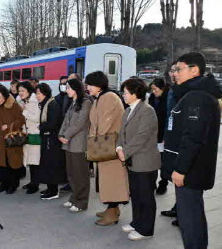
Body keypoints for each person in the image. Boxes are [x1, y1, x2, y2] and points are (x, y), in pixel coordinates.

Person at [162, 52, 222, 249]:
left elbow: (193, 137)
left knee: (190, 218)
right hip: (191, 168)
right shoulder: (191, 94)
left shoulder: (197, 97)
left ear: (194, 69)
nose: (174, 74)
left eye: (178, 69)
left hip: (190, 171)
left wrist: (180, 169)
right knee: (190, 215)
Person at [116, 78, 160, 241]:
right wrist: (119, 147)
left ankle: (146, 229)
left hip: (145, 161)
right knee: (135, 193)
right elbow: (122, 133)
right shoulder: (128, 110)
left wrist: (124, 151)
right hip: (131, 159)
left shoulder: (147, 111)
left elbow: (142, 136)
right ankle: (137, 222)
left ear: (136, 93)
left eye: (126, 93)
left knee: (145, 195)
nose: (123, 95)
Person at [85, 71, 129, 226]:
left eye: (90, 84)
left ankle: (112, 212)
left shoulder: (108, 98)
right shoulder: (100, 97)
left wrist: (94, 141)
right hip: (104, 146)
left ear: (99, 85)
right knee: (106, 179)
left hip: (109, 146)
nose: (87, 87)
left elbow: (104, 125)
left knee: (112, 180)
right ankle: (112, 209)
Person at [59, 79, 92, 212]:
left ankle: (81, 202)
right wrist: (60, 135)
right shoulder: (73, 102)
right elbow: (66, 121)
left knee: (81, 174)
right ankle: (74, 197)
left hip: (79, 143)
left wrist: (66, 136)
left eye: (68, 88)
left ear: (76, 88)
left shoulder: (86, 102)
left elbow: (80, 123)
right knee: (71, 172)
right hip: (69, 143)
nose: (66, 90)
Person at [36, 83, 66, 200]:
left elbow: (53, 123)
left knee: (51, 165)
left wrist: (41, 126)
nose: (37, 96)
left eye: (39, 93)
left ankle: (53, 191)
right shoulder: (46, 103)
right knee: (47, 164)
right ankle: (50, 188)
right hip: (47, 138)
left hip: (51, 140)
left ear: (45, 93)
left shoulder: (52, 104)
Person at [0, 85, 25, 194]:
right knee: (3, 163)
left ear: (5, 97)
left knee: (13, 163)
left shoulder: (14, 106)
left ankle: (13, 184)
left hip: (12, 138)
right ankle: (4, 183)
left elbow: (21, 119)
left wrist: (9, 125)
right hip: (1, 139)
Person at [160, 62, 180, 226]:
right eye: (172, 71)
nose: (173, 74)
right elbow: (170, 116)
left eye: (176, 70)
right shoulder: (174, 90)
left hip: (182, 139)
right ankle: (178, 207)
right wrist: (167, 134)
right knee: (174, 173)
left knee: (182, 175)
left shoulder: (185, 92)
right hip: (171, 135)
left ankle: (182, 212)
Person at [16, 81, 41, 194]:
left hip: (34, 133)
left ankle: (35, 184)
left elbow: (37, 118)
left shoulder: (35, 101)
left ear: (28, 90)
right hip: (26, 133)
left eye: (22, 91)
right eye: (19, 91)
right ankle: (32, 182)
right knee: (29, 160)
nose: (20, 93)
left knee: (35, 161)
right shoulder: (22, 101)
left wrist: (24, 112)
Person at [148, 78, 170, 195]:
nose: (153, 92)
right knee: (152, 160)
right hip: (153, 133)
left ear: (162, 88)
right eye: (152, 89)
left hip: (163, 133)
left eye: (155, 89)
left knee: (162, 161)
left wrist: (167, 136)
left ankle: (163, 183)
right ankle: (152, 183)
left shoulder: (168, 98)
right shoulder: (152, 98)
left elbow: (168, 117)